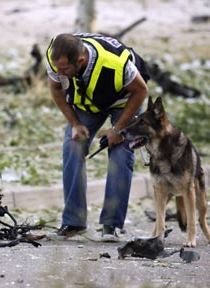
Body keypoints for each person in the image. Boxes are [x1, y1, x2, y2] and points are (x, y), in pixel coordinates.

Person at [45, 33, 150, 242]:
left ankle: (111, 225)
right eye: (57, 67)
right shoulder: (55, 56)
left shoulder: (115, 63)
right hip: (89, 103)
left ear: (81, 60)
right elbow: (56, 89)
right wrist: (75, 124)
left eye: (64, 69)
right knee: (72, 146)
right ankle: (74, 222)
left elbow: (141, 91)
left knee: (120, 154)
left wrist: (118, 130)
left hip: (124, 101)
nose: (59, 72)